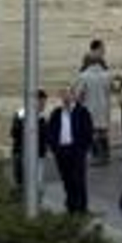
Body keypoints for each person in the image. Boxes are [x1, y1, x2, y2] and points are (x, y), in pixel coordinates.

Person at [46, 86, 94, 214]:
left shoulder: (82, 112)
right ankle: (71, 205)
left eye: (68, 94)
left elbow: (88, 131)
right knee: (67, 180)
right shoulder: (56, 113)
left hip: (76, 151)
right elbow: (50, 131)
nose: (66, 97)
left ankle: (82, 207)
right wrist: (54, 147)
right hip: (62, 152)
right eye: (63, 94)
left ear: (73, 96)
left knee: (79, 179)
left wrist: (84, 148)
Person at [74, 43, 114, 166]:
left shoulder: (83, 76)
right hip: (104, 108)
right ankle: (106, 156)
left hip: (89, 109)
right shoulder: (107, 75)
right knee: (103, 132)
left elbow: (78, 95)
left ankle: (96, 156)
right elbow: (112, 90)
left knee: (93, 133)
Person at [10, 89, 47, 193]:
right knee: (22, 184)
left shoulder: (42, 117)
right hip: (22, 153)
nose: (43, 105)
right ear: (34, 102)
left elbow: (45, 136)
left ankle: (36, 205)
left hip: (39, 155)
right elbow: (14, 133)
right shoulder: (20, 114)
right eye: (42, 102)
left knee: (38, 186)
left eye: (44, 103)